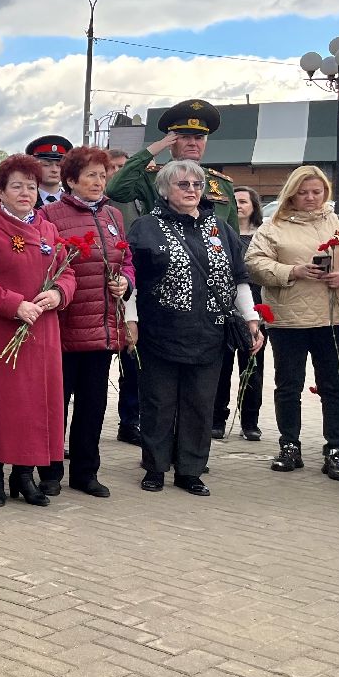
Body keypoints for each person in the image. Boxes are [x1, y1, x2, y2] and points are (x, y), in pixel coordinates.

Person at [128, 161, 263, 495]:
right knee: (158, 403)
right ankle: (155, 467)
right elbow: (130, 280)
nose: (191, 190)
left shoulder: (220, 228)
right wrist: (130, 320)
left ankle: (190, 470)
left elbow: (238, 278)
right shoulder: (145, 228)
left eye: (197, 184)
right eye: (183, 184)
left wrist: (251, 319)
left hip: (209, 333)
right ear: (164, 190)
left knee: (200, 404)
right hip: (159, 331)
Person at [246, 165, 339, 480]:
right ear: (291, 193)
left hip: (334, 318)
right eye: (303, 192)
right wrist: (292, 271)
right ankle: (289, 445)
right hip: (288, 319)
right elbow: (254, 263)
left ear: (326, 193)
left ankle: (336, 449)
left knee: (335, 387)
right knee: (288, 386)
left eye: (316, 192)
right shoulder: (273, 226)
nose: (310, 197)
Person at [0, 154, 73, 506]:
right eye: (17, 186)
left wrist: (58, 293)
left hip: (42, 332)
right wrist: (14, 304)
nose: (25, 193)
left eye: (31, 187)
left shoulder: (48, 229)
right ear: (1, 192)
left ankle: (24, 474)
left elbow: (67, 271)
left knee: (35, 406)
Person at [35, 146, 134, 498]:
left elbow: (126, 259)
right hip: (63, 326)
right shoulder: (49, 215)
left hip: (102, 326)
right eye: (90, 175)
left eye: (102, 176)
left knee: (93, 406)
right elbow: (41, 264)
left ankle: (85, 472)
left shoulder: (113, 215)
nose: (98, 182)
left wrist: (125, 282)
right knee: (55, 405)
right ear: (71, 179)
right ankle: (49, 471)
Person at [106, 100, 239, 230]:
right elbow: (116, 190)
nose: (193, 143)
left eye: (199, 138)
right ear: (170, 142)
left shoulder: (221, 183)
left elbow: (233, 233)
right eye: (185, 137)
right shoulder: (153, 177)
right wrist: (150, 151)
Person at [212, 185, 267, 441]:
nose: (239, 206)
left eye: (244, 201)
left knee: (252, 367)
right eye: (234, 201)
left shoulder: (262, 235)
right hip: (223, 308)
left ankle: (250, 422)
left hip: (254, 306)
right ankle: (217, 420)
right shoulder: (219, 233)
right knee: (221, 368)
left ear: (254, 206)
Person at [106, 148, 144, 445]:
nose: (120, 173)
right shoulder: (100, 204)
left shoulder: (136, 203)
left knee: (132, 363)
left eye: (124, 167)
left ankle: (130, 421)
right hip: (97, 301)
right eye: (114, 168)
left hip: (129, 291)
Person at [0, 136, 70, 217]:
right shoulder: (22, 197)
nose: (54, 170)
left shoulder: (72, 199)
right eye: (46, 165)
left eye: (59, 165)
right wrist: (7, 175)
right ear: (34, 166)